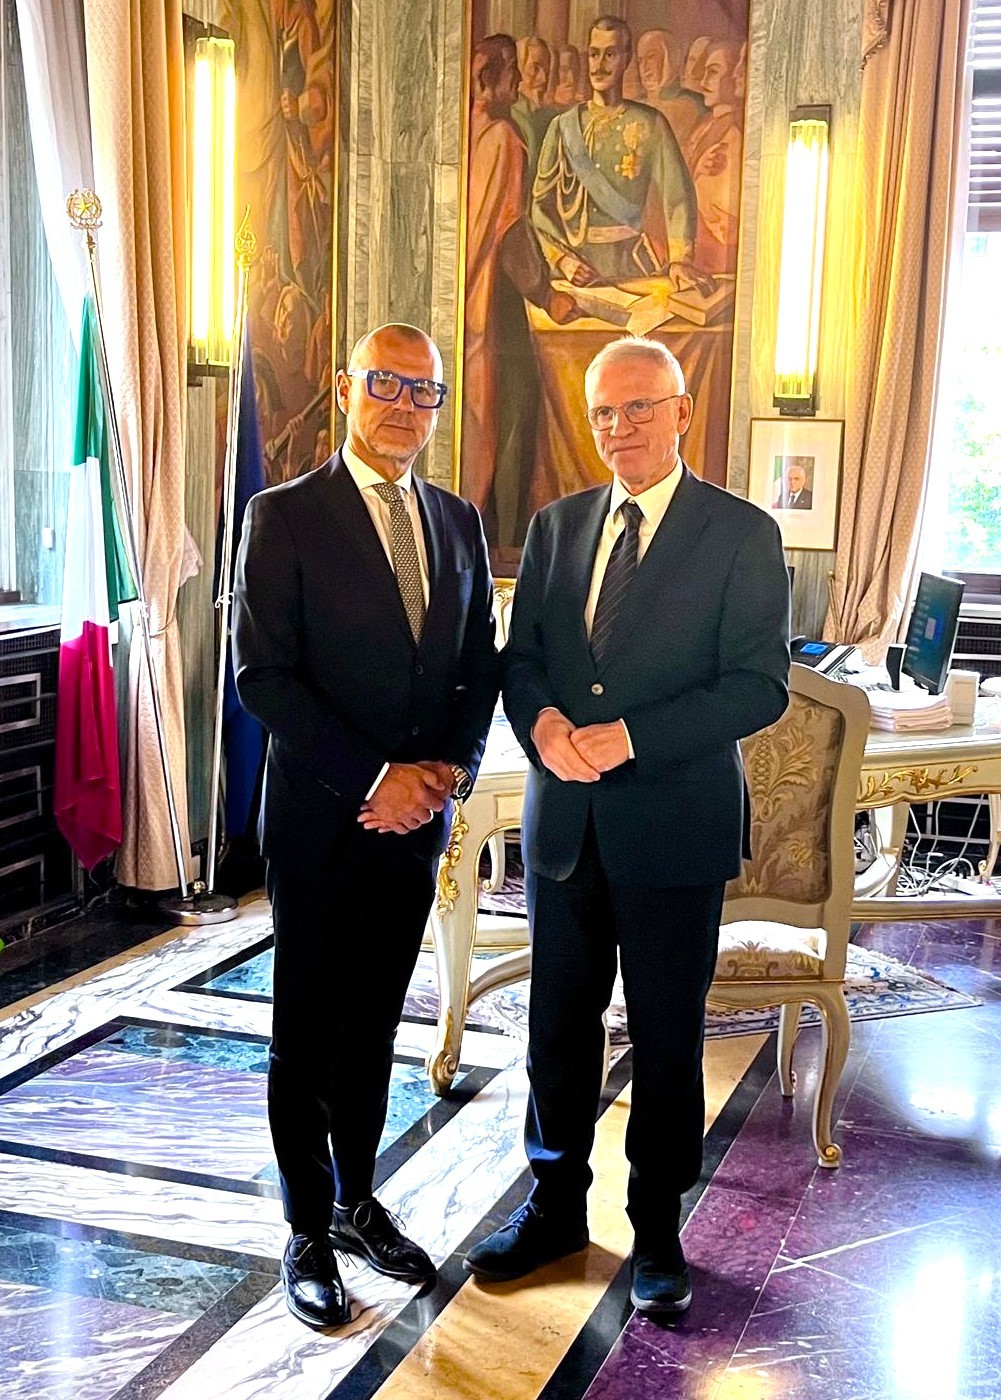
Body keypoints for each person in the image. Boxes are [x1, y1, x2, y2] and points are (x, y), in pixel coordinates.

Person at [465, 336, 789, 1314]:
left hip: (674, 827)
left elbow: (758, 686)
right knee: (556, 1028)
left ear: (681, 411)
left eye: (639, 407)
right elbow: (521, 660)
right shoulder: (558, 526)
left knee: (665, 1034)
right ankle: (554, 1207)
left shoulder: (739, 532)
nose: (619, 428)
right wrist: (542, 724)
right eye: (603, 411)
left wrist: (632, 737)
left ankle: (656, 1229)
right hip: (563, 824)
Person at [233, 323, 499, 1329]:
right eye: (384, 382)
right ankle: (305, 1228)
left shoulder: (457, 520)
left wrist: (446, 775)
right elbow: (264, 676)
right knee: (305, 1030)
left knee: (377, 1023)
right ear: (347, 389)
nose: (402, 404)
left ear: (436, 407)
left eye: (422, 390)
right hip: (321, 817)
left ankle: (356, 1200)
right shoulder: (283, 515)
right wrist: (376, 777)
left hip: (415, 822)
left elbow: (478, 665)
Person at [531, 16, 701, 289]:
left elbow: (677, 196)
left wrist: (680, 260)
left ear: (626, 59)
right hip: (576, 271)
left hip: (631, 265)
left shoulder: (651, 123)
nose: (599, 66)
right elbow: (539, 207)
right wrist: (563, 261)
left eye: (609, 55)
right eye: (594, 54)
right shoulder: (562, 127)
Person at [685, 40, 745, 274]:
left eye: (713, 72)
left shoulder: (737, 131)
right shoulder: (704, 125)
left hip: (718, 249)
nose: (703, 82)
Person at [635, 28, 705, 148]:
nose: (644, 67)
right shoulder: (636, 105)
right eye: (640, 60)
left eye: (651, 57)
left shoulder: (693, 102)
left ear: (670, 58)